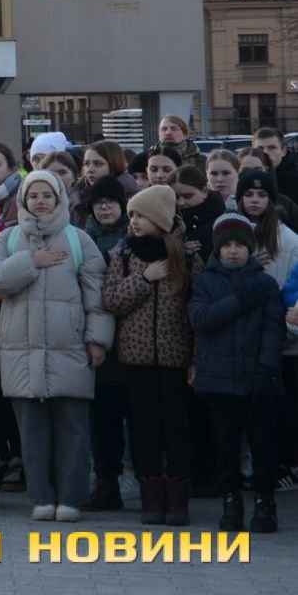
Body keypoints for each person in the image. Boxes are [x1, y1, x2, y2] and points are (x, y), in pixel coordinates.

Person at [0, 171, 111, 523]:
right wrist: (31, 262)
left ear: (58, 199)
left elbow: (97, 298)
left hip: (70, 349)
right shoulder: (8, 238)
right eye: (33, 195)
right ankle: (41, 497)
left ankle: (70, 498)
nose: (40, 201)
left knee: (73, 429)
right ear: (23, 200)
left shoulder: (79, 240)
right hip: (21, 352)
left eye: (47, 195)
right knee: (32, 431)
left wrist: (97, 339)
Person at [103, 183, 195, 526]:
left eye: (142, 215)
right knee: (144, 429)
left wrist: (195, 358)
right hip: (136, 359)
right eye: (132, 215)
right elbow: (112, 301)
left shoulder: (186, 258)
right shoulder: (125, 256)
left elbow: (195, 311)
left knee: (176, 428)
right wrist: (144, 278)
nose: (135, 221)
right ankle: (152, 498)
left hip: (175, 358)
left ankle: (178, 499)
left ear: (161, 219)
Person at [190, 212, 283, 534]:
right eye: (226, 245)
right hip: (218, 380)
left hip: (256, 377)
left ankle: (264, 501)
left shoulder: (265, 283)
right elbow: (200, 318)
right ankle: (231, 501)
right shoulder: (206, 281)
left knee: (263, 447)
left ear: (249, 248)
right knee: (225, 446)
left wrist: (266, 369)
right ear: (218, 248)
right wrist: (240, 301)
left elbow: (273, 330)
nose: (233, 251)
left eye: (239, 245)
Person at [78, 175, 132, 511]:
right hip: (97, 342)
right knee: (103, 420)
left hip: (134, 340)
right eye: (98, 203)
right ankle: (106, 484)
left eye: (111, 202)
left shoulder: (134, 237)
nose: (105, 208)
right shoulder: (81, 240)